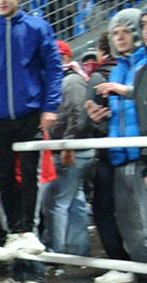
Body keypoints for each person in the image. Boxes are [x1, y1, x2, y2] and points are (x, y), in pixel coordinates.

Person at [0, 0, 63, 260]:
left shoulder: (37, 27)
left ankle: (28, 230)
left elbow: (54, 69)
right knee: (3, 177)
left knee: (30, 176)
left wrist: (50, 107)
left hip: (29, 115)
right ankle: (15, 233)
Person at [87, 8, 147, 283]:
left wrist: (120, 92)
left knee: (141, 232)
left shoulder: (140, 67)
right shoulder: (120, 68)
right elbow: (126, 116)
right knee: (134, 232)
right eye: (115, 33)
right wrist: (100, 119)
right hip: (123, 159)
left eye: (127, 30)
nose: (120, 37)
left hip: (140, 160)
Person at [44, 40, 96, 257]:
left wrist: (69, 143)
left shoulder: (71, 81)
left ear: (65, 56)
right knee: (74, 200)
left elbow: (78, 113)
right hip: (73, 147)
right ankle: (77, 250)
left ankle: (59, 252)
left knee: (58, 203)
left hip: (72, 149)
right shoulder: (67, 79)